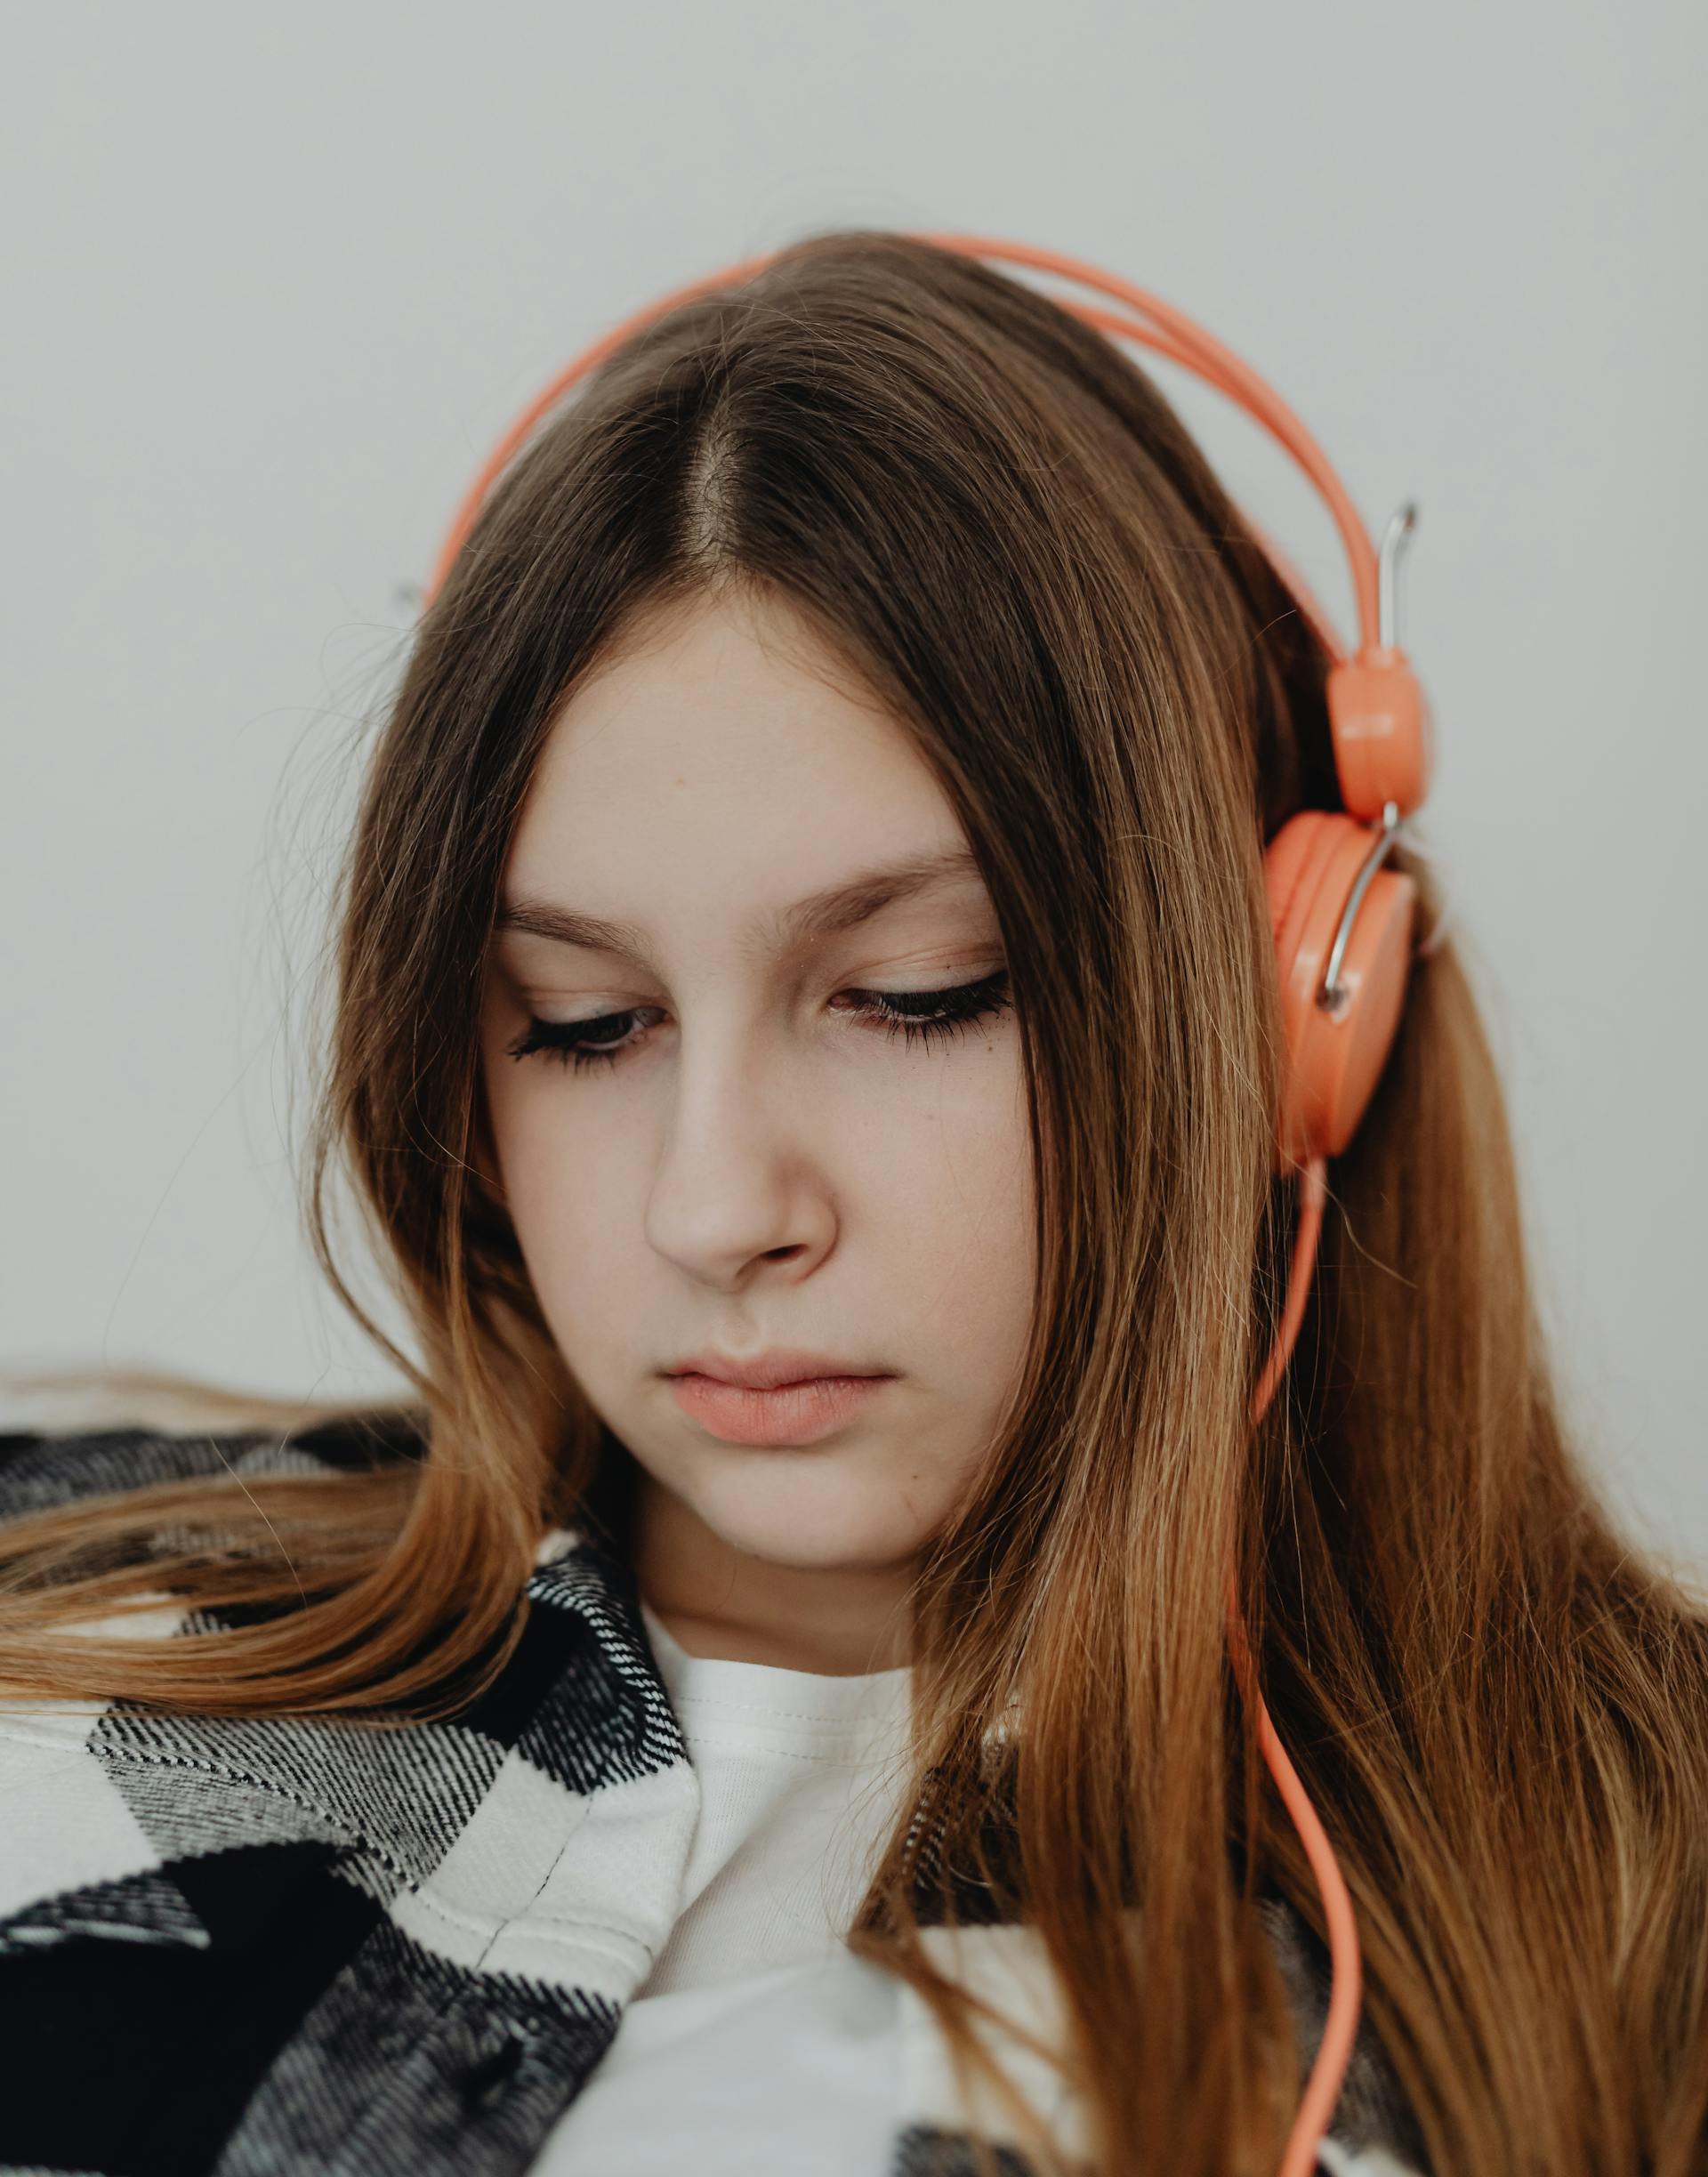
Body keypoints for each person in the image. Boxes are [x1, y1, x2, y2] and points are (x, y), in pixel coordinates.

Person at [1, 230, 1703, 2177]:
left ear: (1301, 1003)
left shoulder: (1638, 1912)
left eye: (918, 995)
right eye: (583, 1022)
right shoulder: (60, 1600)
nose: (718, 1210)